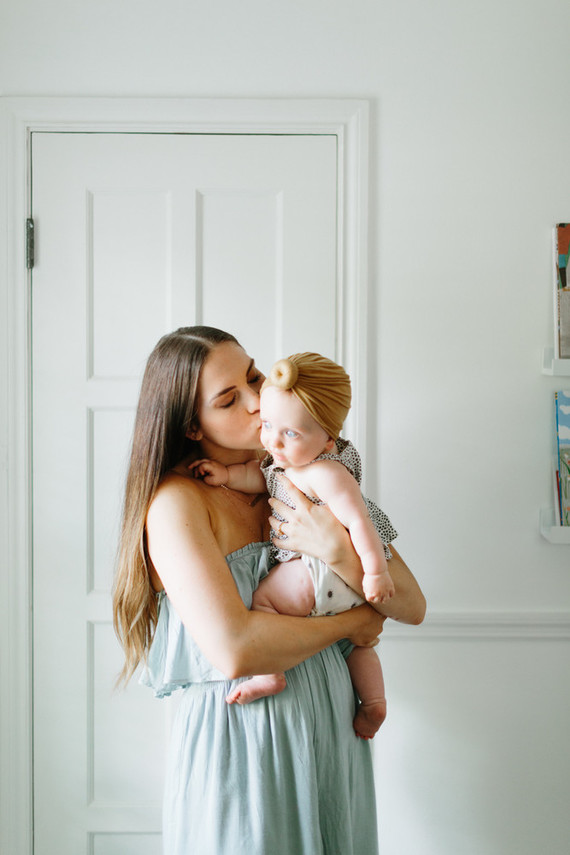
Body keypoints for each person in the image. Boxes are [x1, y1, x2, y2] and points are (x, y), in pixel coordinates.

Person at [112, 326, 426, 855]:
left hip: (330, 721)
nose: (259, 401)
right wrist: (354, 623)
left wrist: (337, 550)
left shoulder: (299, 474)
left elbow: (413, 606)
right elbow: (234, 650)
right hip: (245, 740)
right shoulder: (178, 504)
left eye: (255, 377)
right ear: (192, 425)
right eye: (230, 398)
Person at [190, 351, 395, 739]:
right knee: (361, 646)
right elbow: (257, 477)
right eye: (269, 426)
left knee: (264, 605)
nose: (273, 442)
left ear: (328, 438)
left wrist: (377, 571)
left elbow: (361, 522)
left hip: (315, 573)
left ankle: (270, 675)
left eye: (290, 434)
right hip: (349, 592)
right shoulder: (293, 462)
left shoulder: (326, 472)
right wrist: (226, 475)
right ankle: (373, 703)